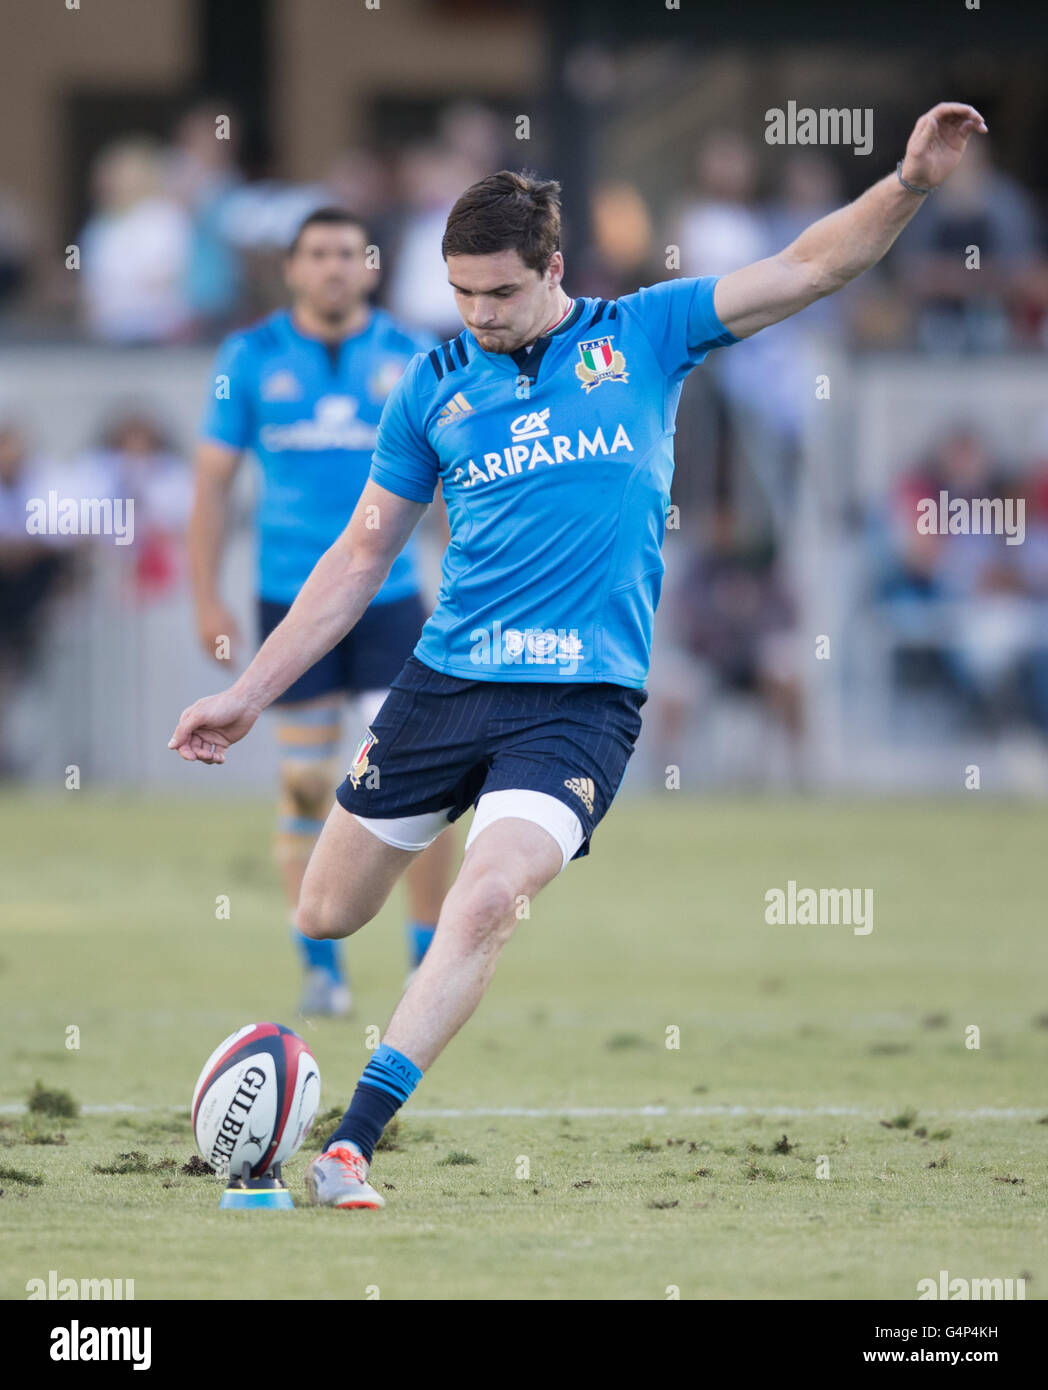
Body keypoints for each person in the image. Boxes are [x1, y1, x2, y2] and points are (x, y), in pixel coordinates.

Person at [170, 103, 988, 1208]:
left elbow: (806, 266)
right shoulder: (434, 383)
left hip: (578, 704)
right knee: (324, 911)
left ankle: (353, 1142)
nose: (479, 313)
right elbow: (361, 557)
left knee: (490, 896)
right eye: (461, 293)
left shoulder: (647, 333)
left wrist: (910, 184)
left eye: (500, 292)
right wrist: (248, 692)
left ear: (553, 267)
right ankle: (296, 1060)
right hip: (445, 681)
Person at [188, 207, 454, 1018]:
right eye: (318, 254)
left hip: (391, 599)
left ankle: (423, 960)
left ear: (369, 267)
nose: (334, 267)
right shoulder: (250, 356)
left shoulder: (411, 354)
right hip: (288, 600)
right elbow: (212, 485)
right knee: (307, 785)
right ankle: (321, 970)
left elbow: (449, 474)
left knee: (421, 785)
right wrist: (206, 597)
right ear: (293, 269)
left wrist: (461, 571)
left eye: (348, 253)